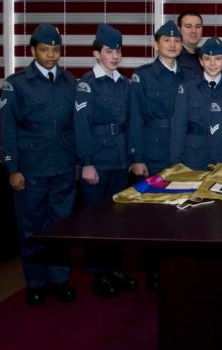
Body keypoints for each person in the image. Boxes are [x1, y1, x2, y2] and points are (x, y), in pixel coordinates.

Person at [1, 24, 78, 306]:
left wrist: (79, 163)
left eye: (55, 49)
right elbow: (7, 130)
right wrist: (12, 169)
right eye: (45, 49)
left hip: (63, 167)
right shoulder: (17, 83)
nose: (50, 55)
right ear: (33, 50)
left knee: (60, 227)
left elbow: (75, 128)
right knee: (31, 228)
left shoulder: (70, 82)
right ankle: (35, 283)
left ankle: (60, 279)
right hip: (31, 168)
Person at [74, 23, 139, 299]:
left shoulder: (124, 83)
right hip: (96, 161)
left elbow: (130, 122)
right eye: (109, 51)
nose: (115, 56)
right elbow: (81, 125)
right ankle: (98, 273)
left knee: (117, 221)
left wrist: (131, 157)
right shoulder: (87, 84)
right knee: (96, 220)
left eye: (118, 51)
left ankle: (114, 268)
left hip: (119, 159)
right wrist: (86, 162)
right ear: (96, 53)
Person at [129, 20, 185, 178]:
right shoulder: (143, 76)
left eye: (177, 41)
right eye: (167, 40)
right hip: (153, 153)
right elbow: (135, 119)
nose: (172, 45)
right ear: (156, 45)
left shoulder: (188, 77)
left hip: (182, 152)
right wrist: (137, 158)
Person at [170, 36, 222, 171]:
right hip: (193, 156)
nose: (212, 64)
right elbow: (179, 127)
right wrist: (176, 163)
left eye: (218, 59)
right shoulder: (187, 88)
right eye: (207, 59)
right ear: (201, 61)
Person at [176, 10, 204, 80]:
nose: (194, 31)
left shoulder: (206, 56)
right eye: (188, 26)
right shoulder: (173, 58)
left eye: (198, 26)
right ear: (179, 30)